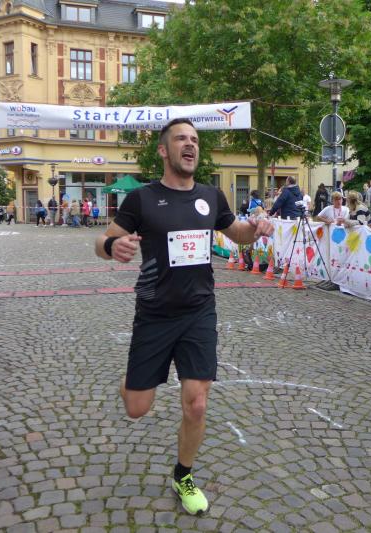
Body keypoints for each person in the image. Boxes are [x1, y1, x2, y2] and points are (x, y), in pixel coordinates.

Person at [94, 118, 273, 516]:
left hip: (199, 311)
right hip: (155, 313)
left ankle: (183, 475)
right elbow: (102, 239)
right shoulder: (141, 199)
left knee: (197, 404)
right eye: (181, 139)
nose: (190, 145)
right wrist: (112, 247)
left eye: (194, 139)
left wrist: (256, 228)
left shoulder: (211, 195)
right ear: (163, 150)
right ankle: (132, 381)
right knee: (136, 407)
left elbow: (237, 233)